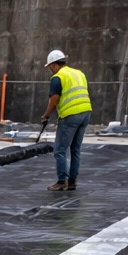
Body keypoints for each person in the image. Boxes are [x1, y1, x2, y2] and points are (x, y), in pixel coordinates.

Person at [40, 49, 93, 191]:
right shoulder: (79, 73)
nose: (50, 69)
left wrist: (46, 115)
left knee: (59, 150)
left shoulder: (58, 77)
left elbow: (54, 100)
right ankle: (72, 182)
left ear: (53, 64)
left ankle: (61, 181)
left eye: (50, 66)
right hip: (86, 113)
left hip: (70, 115)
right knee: (75, 149)